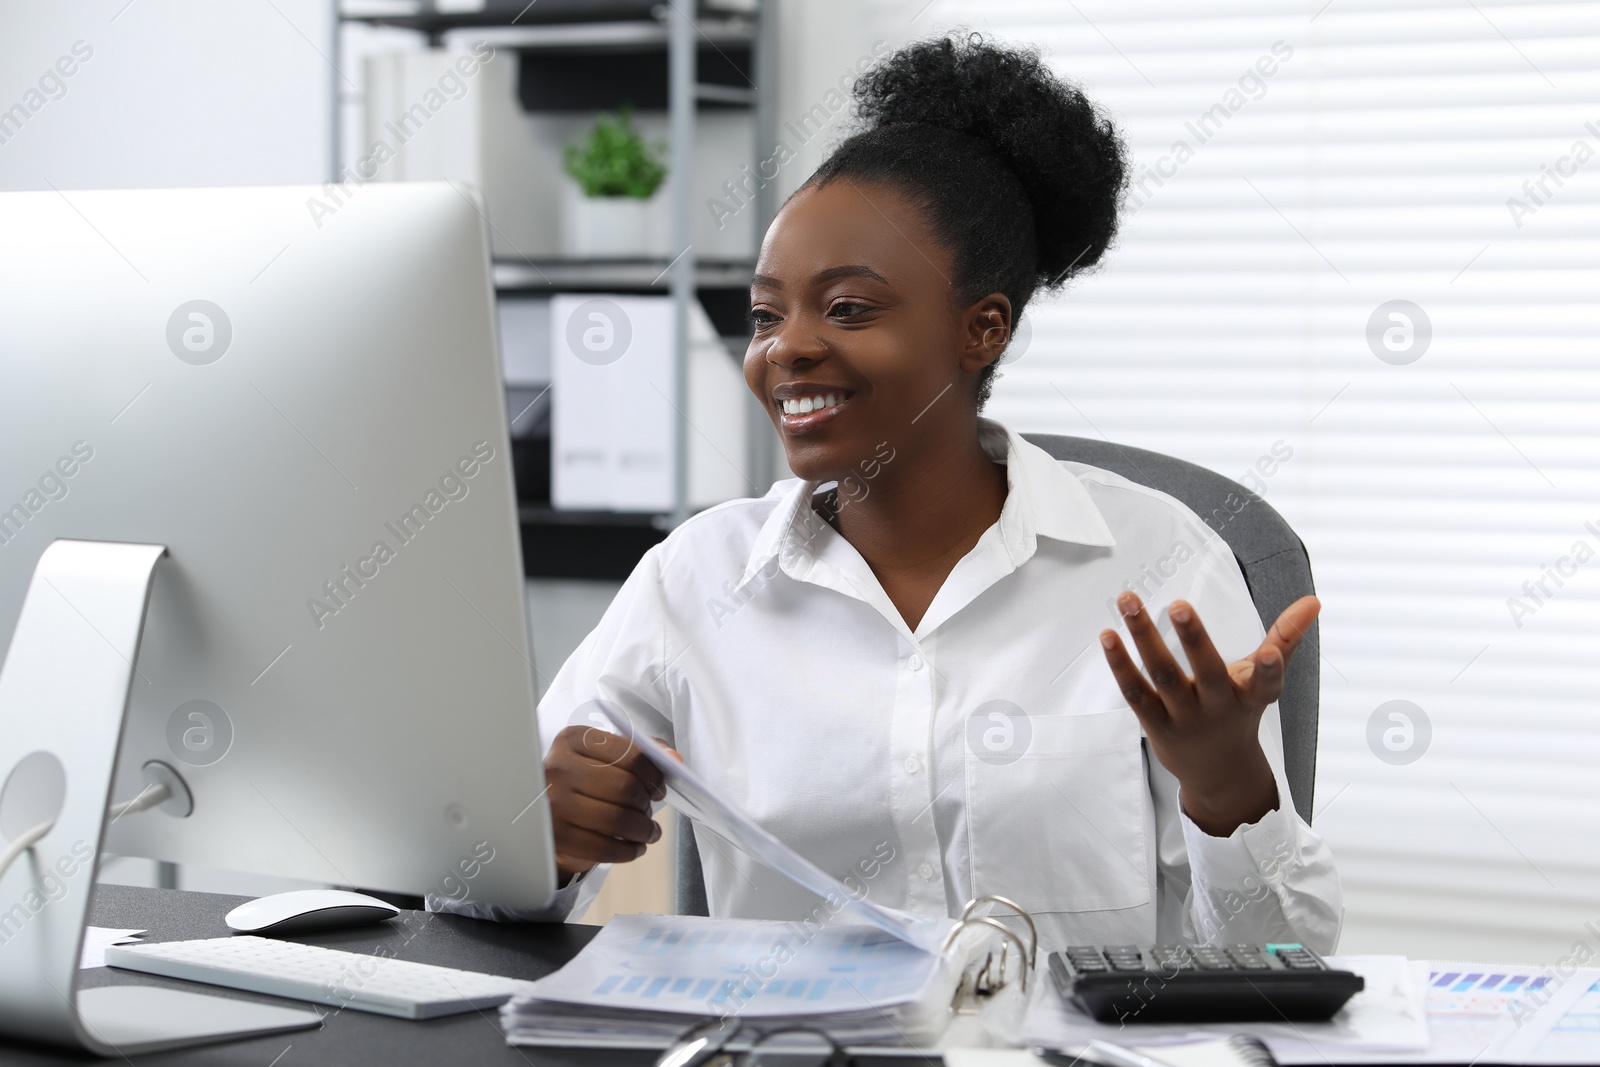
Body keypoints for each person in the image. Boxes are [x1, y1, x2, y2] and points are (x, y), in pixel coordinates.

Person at [441, 34, 1342, 953]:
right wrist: (537, 840)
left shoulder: (1158, 562)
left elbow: (1285, 966)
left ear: (981, 328)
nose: (784, 348)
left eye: (847, 308)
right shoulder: (694, 580)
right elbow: (472, 889)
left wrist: (1228, 787)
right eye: (765, 314)